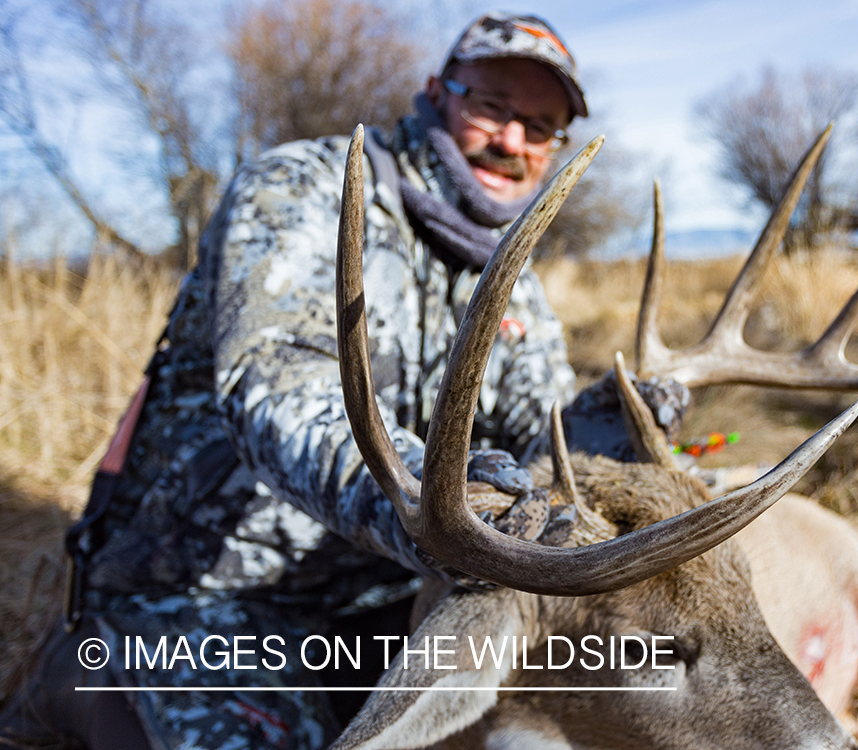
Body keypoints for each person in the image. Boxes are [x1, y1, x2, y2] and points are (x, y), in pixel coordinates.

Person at [1, 11, 686, 750]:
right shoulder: (305, 189)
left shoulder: (510, 279)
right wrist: (430, 497)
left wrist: (612, 426)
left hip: (384, 601)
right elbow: (277, 383)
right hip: (204, 603)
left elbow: (533, 445)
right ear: (436, 92)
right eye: (492, 105)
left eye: (541, 126)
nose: (512, 140)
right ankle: (77, 679)